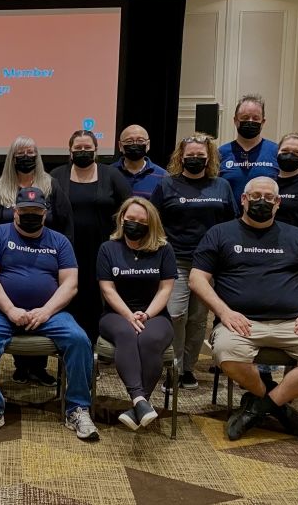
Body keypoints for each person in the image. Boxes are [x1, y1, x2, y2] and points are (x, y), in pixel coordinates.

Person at [189, 177, 298, 440]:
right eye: (255, 196)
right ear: (243, 199)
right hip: (240, 323)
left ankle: (262, 406)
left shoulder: (296, 236)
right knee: (226, 352)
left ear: (277, 203)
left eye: (268, 198)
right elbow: (197, 278)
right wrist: (224, 312)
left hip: (293, 323)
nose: (261, 201)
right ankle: (279, 406)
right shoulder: (220, 233)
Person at [0, 187, 98, 441]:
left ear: (45, 213)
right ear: (15, 212)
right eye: (25, 211)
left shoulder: (59, 241)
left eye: (36, 212)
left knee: (80, 340)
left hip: (49, 312)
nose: (30, 216)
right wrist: (10, 309)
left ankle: (78, 408)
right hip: (1, 311)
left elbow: (70, 284)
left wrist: (46, 311)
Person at [0, 135, 73, 387]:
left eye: (31, 153)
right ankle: (22, 366)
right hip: (7, 258)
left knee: (41, 303)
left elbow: (66, 224)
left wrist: (62, 259)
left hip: (47, 256)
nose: (26, 157)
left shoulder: (51, 185)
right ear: (12, 157)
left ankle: (38, 368)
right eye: (20, 153)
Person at [150, 134, 236, 390]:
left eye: (200, 156)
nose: (195, 159)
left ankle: (188, 368)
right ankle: (172, 367)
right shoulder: (167, 185)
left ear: (208, 157)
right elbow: (154, 222)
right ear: (181, 157)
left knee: (198, 319)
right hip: (176, 259)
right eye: (190, 156)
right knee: (176, 314)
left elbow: (231, 223)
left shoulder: (221, 186)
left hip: (209, 264)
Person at [97, 197, 177, 430]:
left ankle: (138, 405)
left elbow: (166, 289)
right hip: (115, 314)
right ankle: (140, 399)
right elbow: (107, 289)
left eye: (141, 221)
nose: (135, 224)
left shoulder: (164, 249)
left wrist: (147, 315)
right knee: (127, 334)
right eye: (130, 219)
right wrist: (129, 315)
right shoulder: (108, 249)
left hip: (155, 314)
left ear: (151, 223)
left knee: (150, 339)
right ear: (122, 219)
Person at [50, 130, 132, 342]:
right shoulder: (56, 175)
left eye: (88, 148)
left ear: (96, 151)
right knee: (69, 293)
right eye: (78, 148)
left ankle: (98, 342)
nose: (83, 152)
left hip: (102, 247)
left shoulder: (112, 175)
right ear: (70, 152)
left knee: (99, 295)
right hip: (66, 247)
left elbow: (129, 207)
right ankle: (69, 341)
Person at [218, 94, 279, 203]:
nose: (250, 121)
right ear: (236, 121)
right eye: (245, 118)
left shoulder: (276, 151)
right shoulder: (221, 153)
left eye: (256, 118)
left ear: (263, 122)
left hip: (265, 218)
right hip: (228, 218)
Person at [111, 124, 167, 200]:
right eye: (129, 141)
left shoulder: (163, 176)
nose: (135, 144)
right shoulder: (108, 173)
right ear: (120, 146)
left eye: (140, 141)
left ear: (148, 145)